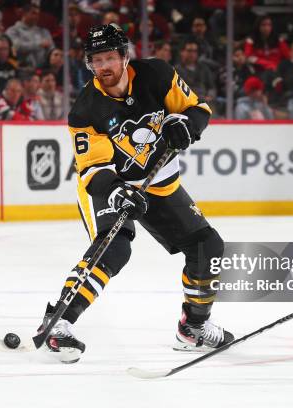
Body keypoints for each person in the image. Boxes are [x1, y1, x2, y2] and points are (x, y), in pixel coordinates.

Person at [35, 24, 234, 364]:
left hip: (159, 181)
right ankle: (59, 323)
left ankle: (194, 328)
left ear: (125, 56)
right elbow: (93, 170)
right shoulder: (85, 110)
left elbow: (198, 109)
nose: (104, 67)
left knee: (207, 246)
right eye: (96, 61)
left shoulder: (156, 73)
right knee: (115, 249)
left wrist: (185, 125)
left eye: (110, 58)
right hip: (110, 185)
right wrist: (116, 192)